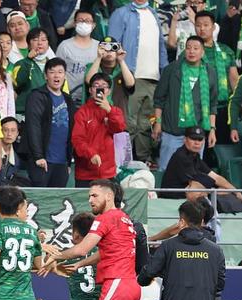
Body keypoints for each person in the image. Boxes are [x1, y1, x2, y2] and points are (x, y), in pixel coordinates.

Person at [108, 0, 168, 165]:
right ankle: (120, 162)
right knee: (127, 122)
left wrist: (164, 72)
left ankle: (144, 160)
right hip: (130, 76)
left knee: (146, 123)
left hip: (153, 78)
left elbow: (161, 46)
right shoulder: (121, 13)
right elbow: (111, 45)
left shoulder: (154, 13)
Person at [153, 36, 217, 172]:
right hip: (172, 131)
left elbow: (212, 104)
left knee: (194, 172)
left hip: (196, 134)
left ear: (202, 52)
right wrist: (157, 123)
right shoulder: (172, 69)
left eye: (196, 48)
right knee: (166, 170)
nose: (191, 51)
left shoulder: (210, 72)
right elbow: (159, 99)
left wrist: (212, 129)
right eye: (188, 48)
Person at [20, 57, 75, 188]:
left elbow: (71, 129)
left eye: (60, 72)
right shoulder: (37, 96)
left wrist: (68, 162)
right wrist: (38, 156)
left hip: (62, 161)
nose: (56, 76)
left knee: (57, 198)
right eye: (52, 72)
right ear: (45, 76)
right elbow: (33, 127)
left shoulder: (68, 99)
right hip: (42, 161)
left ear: (65, 76)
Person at [71, 72, 127, 187]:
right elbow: (77, 139)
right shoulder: (82, 112)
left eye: (104, 86)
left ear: (109, 91)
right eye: (96, 86)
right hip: (85, 173)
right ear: (90, 90)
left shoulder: (115, 111)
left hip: (108, 172)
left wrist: (109, 111)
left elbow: (119, 129)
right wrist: (91, 154)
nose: (100, 89)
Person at [160, 126, 242, 200]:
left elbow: (215, 177)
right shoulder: (181, 155)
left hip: (186, 198)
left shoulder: (195, 156)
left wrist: (235, 191)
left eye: (200, 139)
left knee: (226, 191)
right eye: (193, 139)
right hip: (172, 199)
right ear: (185, 139)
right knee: (199, 190)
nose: (197, 143)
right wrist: (216, 191)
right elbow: (195, 184)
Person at [194, 11, 239, 144]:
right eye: (198, 25)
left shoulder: (226, 51)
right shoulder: (190, 52)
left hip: (224, 110)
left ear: (213, 27)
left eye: (206, 25)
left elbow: (234, 80)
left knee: (224, 147)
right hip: (199, 111)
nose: (202, 29)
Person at [55, 10, 99, 106]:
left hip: (93, 99)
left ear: (94, 25)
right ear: (74, 24)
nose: (84, 23)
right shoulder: (64, 46)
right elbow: (57, 71)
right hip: (69, 99)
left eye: (87, 21)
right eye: (80, 20)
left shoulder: (99, 47)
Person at [84, 36, 135, 118]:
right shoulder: (94, 68)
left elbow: (130, 84)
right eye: (105, 48)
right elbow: (89, 81)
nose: (109, 51)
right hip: (97, 118)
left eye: (113, 48)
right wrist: (99, 57)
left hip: (119, 117)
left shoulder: (123, 70)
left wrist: (121, 60)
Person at [12, 27, 53, 116]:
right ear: (28, 44)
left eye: (43, 40)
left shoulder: (54, 65)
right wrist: (28, 60)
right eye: (35, 40)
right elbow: (16, 83)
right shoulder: (21, 63)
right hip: (25, 112)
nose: (39, 43)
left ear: (48, 44)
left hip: (48, 112)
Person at [0, 116, 23, 186]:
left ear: (17, 133)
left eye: (13, 130)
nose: (9, 134)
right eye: (5, 130)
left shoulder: (17, 158)